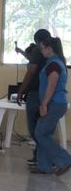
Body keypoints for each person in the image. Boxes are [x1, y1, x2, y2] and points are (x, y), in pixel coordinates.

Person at [29, 37, 71, 176]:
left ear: (49, 48)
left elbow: (51, 86)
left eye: (42, 48)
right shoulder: (54, 63)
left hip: (54, 104)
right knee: (44, 133)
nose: (41, 51)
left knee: (40, 134)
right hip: (55, 103)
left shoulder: (54, 64)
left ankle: (65, 160)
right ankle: (44, 166)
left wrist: (44, 104)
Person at [16, 29, 51, 164]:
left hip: (36, 93)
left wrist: (21, 91)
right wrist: (20, 51)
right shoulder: (53, 51)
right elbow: (32, 59)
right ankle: (40, 158)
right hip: (48, 94)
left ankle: (48, 157)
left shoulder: (38, 49)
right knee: (42, 129)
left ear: (37, 41)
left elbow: (31, 71)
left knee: (34, 129)